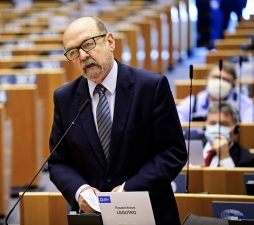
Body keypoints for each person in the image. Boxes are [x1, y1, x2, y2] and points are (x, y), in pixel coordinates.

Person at [48, 16, 187, 224]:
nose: (84, 56)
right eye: (73, 52)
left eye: (88, 44)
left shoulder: (150, 87)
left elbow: (172, 152)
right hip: (94, 218)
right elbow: (58, 162)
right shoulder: (65, 98)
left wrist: (129, 190)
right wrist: (80, 191)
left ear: (110, 42)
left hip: (149, 212)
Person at [176, 61, 254, 123]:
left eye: (226, 80)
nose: (220, 83)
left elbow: (250, 130)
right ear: (207, 79)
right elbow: (175, 124)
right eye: (216, 77)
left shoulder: (245, 104)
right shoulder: (192, 102)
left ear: (233, 84)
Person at [202, 102, 254, 167]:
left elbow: (237, 177)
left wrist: (225, 157)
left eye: (224, 124)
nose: (217, 128)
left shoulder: (248, 160)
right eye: (212, 123)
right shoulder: (191, 145)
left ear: (235, 129)